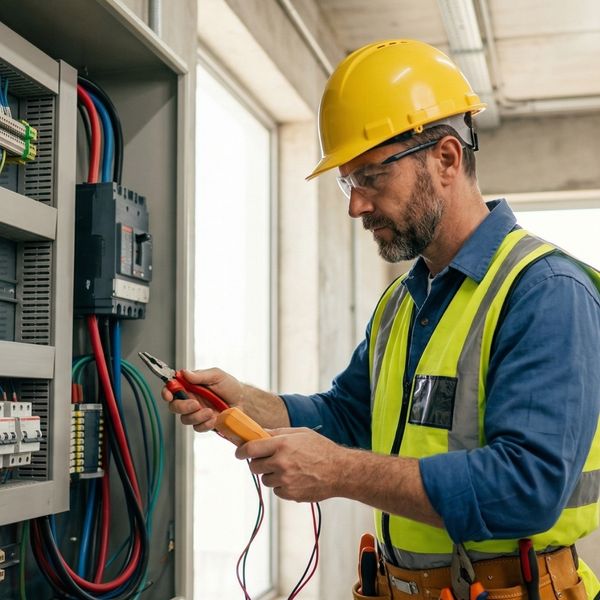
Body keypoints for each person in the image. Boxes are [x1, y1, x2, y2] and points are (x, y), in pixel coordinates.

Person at [163, 40, 600, 600]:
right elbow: (349, 416)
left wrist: (341, 472)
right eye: (349, 182)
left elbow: (527, 487)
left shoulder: (545, 292)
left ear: (446, 159)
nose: (355, 206)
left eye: (370, 176)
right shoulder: (402, 304)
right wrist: (246, 403)